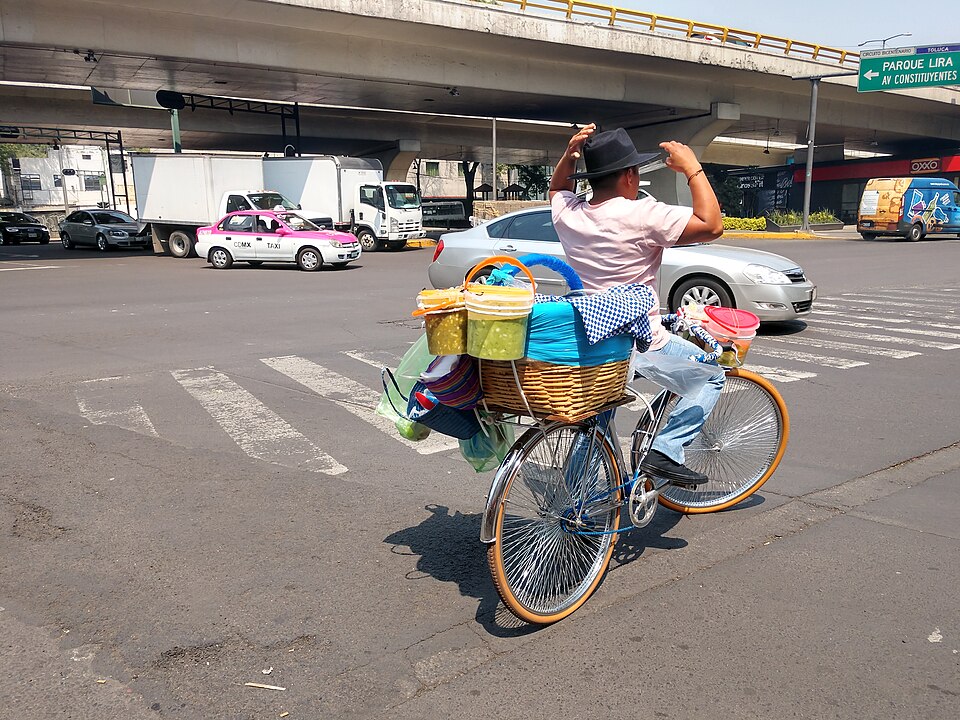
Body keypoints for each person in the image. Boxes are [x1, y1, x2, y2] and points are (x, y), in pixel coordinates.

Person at [549, 124, 725, 487]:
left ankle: (571, 504)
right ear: (630, 176)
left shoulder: (568, 214)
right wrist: (693, 167)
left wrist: (569, 154)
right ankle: (665, 451)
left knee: (596, 420)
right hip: (640, 342)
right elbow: (711, 225)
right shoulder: (643, 214)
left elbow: (557, 188)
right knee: (711, 375)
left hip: (589, 337)